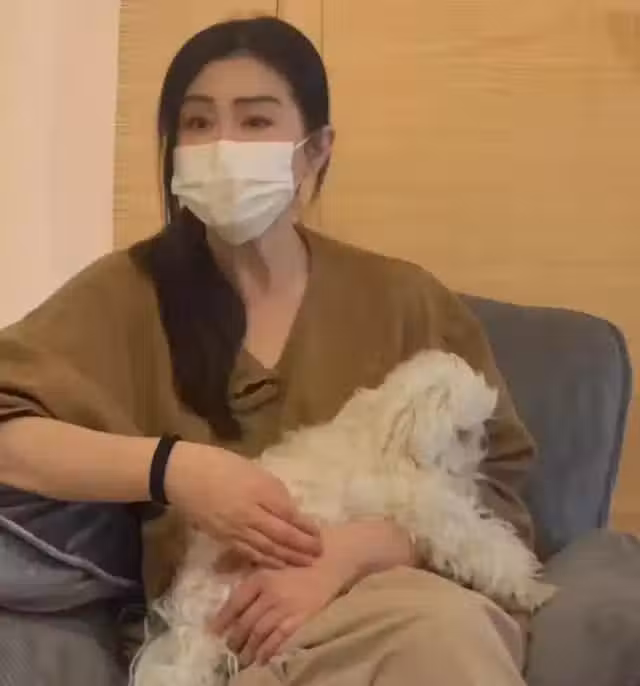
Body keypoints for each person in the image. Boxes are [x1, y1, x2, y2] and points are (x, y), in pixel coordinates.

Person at [0, 16, 536, 685]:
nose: (222, 145)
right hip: (222, 640)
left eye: (255, 122)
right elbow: (10, 433)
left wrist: (348, 555)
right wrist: (176, 469)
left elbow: (500, 500)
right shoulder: (124, 296)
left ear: (316, 150)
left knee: (442, 633)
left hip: (395, 606)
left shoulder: (406, 301)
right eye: (198, 123)